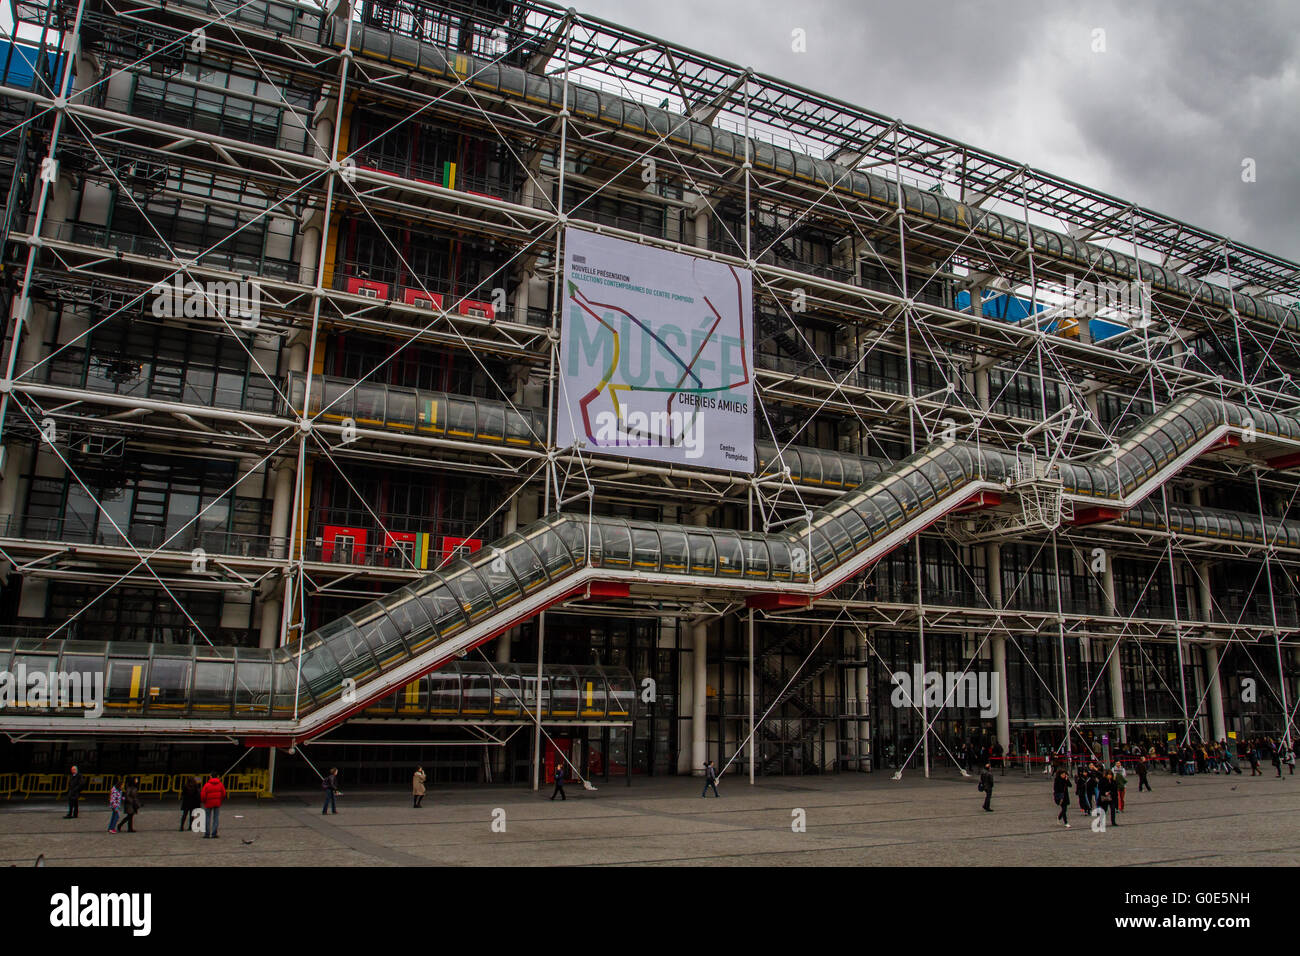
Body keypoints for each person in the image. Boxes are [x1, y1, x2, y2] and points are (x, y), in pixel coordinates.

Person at [200, 773, 226, 839]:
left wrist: (204, 801)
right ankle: (214, 833)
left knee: (207, 818)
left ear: (210, 776)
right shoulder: (220, 784)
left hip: (208, 803)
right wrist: (220, 800)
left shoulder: (207, 785)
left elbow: (203, 795)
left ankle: (207, 833)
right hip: (217, 803)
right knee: (216, 818)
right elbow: (223, 793)